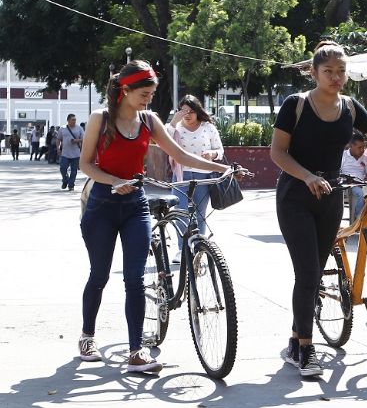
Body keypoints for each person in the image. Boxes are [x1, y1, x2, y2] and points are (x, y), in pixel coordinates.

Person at [270, 40, 367, 377]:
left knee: (313, 272)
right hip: (295, 196)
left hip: (332, 194)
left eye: (341, 71)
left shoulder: (350, 107)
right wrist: (308, 176)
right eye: (328, 71)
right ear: (314, 72)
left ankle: (294, 339)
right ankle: (305, 349)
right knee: (309, 272)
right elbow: (278, 154)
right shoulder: (295, 105)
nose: (336, 77)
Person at [78, 60, 244, 373]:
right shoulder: (100, 119)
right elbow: (86, 165)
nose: (148, 99)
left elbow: (179, 155)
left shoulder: (149, 121)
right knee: (99, 274)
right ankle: (87, 336)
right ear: (124, 90)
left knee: (135, 279)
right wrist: (114, 182)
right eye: (143, 93)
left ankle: (136, 351)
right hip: (102, 203)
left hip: (135, 205)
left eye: (151, 94)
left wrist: (223, 168)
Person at [165, 95, 224, 263]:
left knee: (199, 215)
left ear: (198, 111)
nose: (188, 115)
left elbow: (220, 150)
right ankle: (182, 250)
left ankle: (199, 250)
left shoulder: (208, 127)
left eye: (191, 111)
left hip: (203, 176)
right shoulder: (175, 127)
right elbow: (164, 141)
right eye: (184, 111)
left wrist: (212, 154)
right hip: (181, 176)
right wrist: (173, 121)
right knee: (181, 213)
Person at [58, 115, 84, 191]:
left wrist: (77, 141)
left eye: (75, 120)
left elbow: (84, 138)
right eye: (72, 120)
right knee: (63, 168)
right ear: (68, 120)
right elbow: (58, 139)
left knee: (74, 171)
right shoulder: (62, 128)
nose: (74, 121)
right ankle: (65, 180)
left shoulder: (79, 128)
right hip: (65, 153)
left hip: (76, 153)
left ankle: (71, 184)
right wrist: (58, 148)